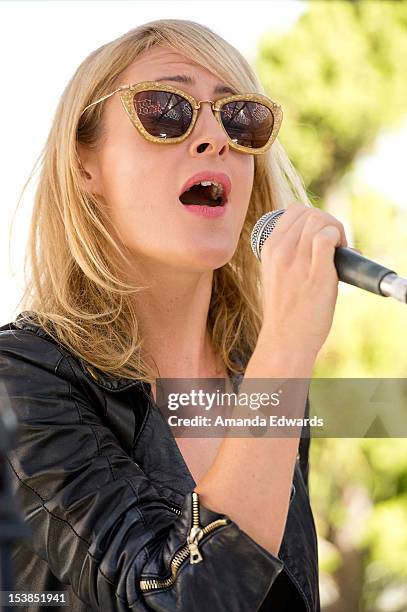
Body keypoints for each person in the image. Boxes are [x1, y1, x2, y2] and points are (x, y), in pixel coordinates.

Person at [0, 19, 349, 611]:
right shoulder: (23, 381)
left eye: (240, 117)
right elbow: (179, 598)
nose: (216, 137)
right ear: (86, 165)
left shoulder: (258, 377)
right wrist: (288, 348)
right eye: (166, 110)